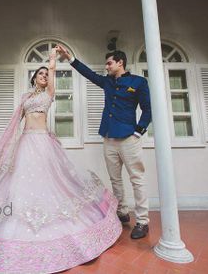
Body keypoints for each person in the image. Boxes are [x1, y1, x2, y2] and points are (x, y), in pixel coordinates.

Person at [0, 46, 122, 273]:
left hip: (44, 144)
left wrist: (52, 60)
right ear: (34, 78)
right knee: (16, 187)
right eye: (41, 74)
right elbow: (13, 125)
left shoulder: (49, 94)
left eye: (46, 75)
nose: (44, 76)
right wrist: (0, 152)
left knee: (55, 184)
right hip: (25, 143)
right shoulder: (25, 97)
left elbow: (53, 72)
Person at [57, 45, 152, 239]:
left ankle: (142, 221)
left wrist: (138, 131)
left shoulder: (139, 82)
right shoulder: (107, 82)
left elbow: (148, 109)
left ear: (120, 62)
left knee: (137, 178)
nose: (106, 67)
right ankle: (122, 211)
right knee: (115, 179)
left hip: (129, 138)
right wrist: (71, 58)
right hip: (109, 137)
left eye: (109, 63)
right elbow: (89, 74)